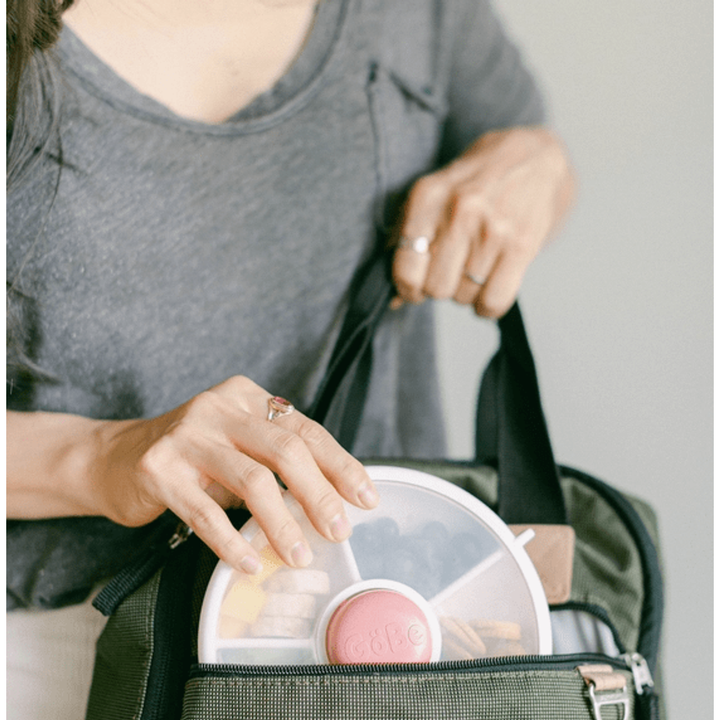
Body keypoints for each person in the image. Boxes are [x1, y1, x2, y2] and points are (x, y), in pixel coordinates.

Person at [6, 0, 574, 716]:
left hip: (403, 640)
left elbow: (528, 158)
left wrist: (534, 166)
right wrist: (102, 456)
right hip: (65, 656)